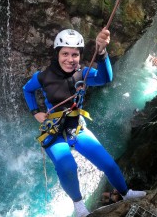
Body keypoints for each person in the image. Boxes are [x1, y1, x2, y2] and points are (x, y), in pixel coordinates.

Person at [23, 28, 146, 217]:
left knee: (109, 164)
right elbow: (27, 90)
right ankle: (79, 205)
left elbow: (106, 78)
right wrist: (35, 113)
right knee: (68, 167)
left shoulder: (83, 74)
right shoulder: (43, 76)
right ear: (57, 54)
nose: (70, 59)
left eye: (75, 54)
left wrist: (102, 51)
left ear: (80, 56)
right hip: (54, 131)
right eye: (65, 54)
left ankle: (125, 193)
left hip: (75, 127)